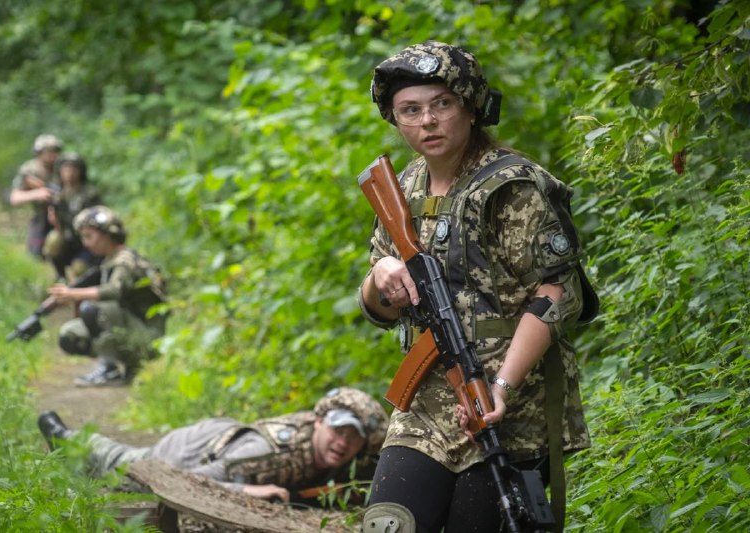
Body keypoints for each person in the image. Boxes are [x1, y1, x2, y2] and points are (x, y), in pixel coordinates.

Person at [356, 41, 599, 532]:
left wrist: (501, 388)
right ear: (395, 120)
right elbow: (378, 308)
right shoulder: (405, 187)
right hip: (425, 405)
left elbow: (556, 294)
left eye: (441, 104)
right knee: (389, 523)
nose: (428, 121)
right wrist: (380, 279)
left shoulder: (512, 186)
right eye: (411, 110)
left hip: (507, 408)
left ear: (470, 108)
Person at [37, 387, 389, 503]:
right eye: (338, 430)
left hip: (224, 440)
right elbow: (185, 482)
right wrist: (246, 492)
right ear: (319, 422)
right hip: (188, 453)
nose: (342, 442)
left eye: (353, 436)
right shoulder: (267, 454)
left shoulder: (352, 462)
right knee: (123, 466)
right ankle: (63, 437)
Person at [49, 205, 168, 387]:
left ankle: (112, 367)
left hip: (149, 337)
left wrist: (73, 294)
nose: (86, 243)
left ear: (107, 234)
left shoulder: (124, 261)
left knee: (93, 309)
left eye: (89, 236)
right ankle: (122, 365)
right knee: (70, 335)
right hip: (132, 327)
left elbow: (114, 290)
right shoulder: (109, 261)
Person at [42, 152, 102, 281]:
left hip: (86, 242)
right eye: (66, 169)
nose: (70, 173)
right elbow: (55, 226)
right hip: (68, 239)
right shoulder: (58, 195)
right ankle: (60, 275)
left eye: (74, 169)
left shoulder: (89, 194)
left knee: (79, 269)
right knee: (53, 240)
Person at [9, 134, 63, 257]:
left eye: (56, 151)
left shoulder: (63, 167)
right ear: (39, 153)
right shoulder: (30, 170)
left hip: (62, 215)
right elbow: (14, 198)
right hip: (41, 216)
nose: (53, 155)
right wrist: (36, 194)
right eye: (49, 151)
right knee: (35, 253)